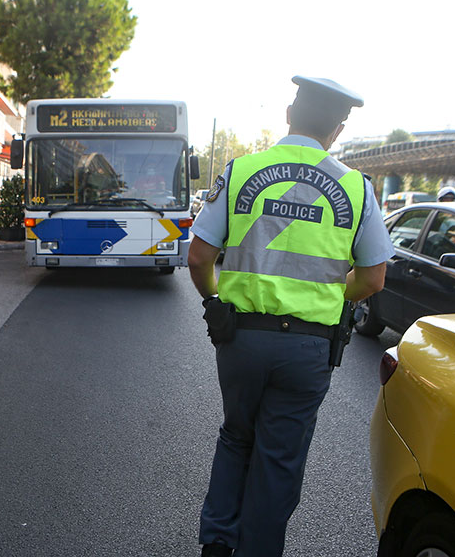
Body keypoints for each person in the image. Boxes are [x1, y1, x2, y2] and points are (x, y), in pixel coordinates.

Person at [188, 76, 395, 557]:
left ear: (288, 114)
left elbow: (199, 258)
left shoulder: (240, 171)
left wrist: (215, 303)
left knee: (236, 437)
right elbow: (373, 279)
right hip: (308, 348)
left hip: (241, 338)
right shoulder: (356, 187)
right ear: (338, 131)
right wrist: (325, 296)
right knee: (278, 459)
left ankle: (216, 544)